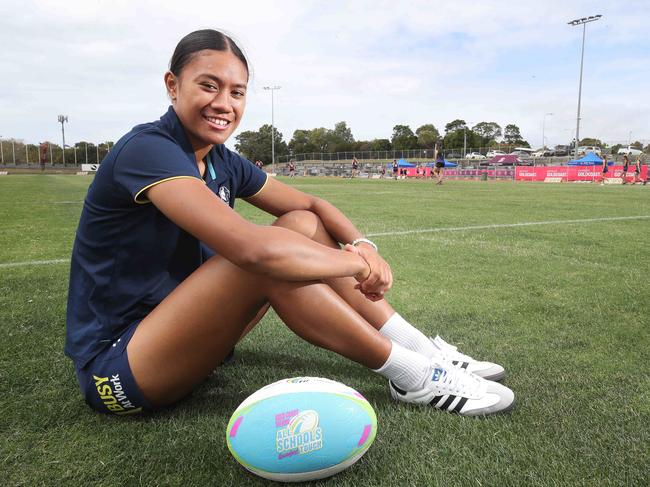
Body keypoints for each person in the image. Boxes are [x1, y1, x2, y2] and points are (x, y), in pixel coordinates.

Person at [65, 29, 514, 418]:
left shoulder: (221, 160)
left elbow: (312, 206)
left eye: (237, 92)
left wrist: (362, 243)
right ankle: (413, 376)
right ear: (172, 85)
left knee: (298, 221)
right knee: (264, 258)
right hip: (120, 369)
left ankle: (420, 349)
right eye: (209, 86)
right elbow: (254, 251)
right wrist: (354, 266)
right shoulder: (148, 149)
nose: (224, 103)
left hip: (192, 343)